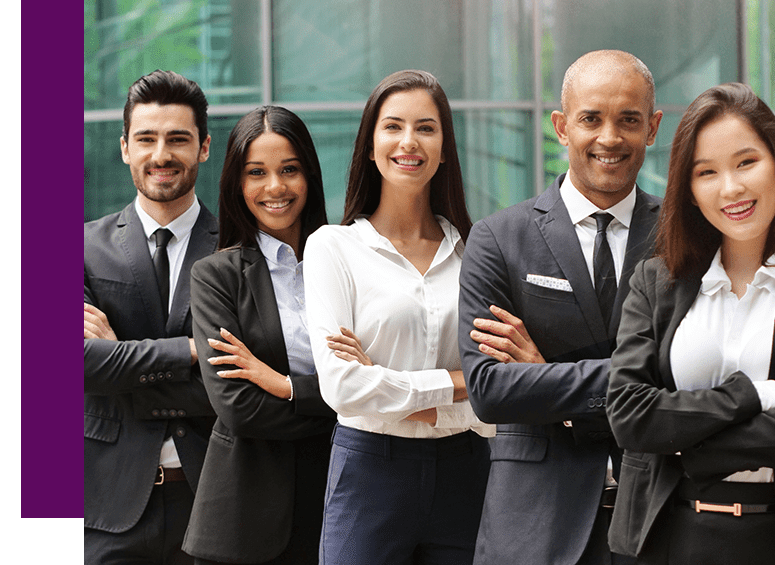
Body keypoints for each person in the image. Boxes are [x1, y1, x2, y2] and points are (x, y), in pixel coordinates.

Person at [606, 83, 775, 565]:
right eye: (707, 172)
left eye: (746, 163)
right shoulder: (655, 281)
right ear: (690, 190)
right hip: (668, 536)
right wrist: (753, 396)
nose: (731, 188)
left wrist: (694, 451)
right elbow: (630, 413)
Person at [458, 49, 664, 565]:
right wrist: (638, 381)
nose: (610, 138)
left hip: (659, 520)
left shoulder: (685, 237)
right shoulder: (498, 238)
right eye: (591, 119)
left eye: (629, 120)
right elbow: (489, 390)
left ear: (654, 127)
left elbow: (693, 380)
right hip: (534, 525)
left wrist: (547, 377)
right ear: (561, 126)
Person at [303, 70, 495, 565]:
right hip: (371, 470)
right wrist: (458, 383)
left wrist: (411, 398)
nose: (409, 141)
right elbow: (343, 388)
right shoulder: (333, 248)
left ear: (445, 148)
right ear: (370, 145)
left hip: (466, 470)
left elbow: (504, 388)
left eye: (426, 128)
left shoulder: (478, 252)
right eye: (393, 126)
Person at [183, 106, 337, 565]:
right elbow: (239, 407)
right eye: (257, 173)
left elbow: (380, 377)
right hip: (243, 520)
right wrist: (342, 409)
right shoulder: (215, 276)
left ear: (309, 174)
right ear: (237, 183)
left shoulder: (346, 258)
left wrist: (284, 386)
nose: (275, 187)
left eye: (289, 169)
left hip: (339, 500)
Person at [84, 70, 217, 565]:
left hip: (213, 505)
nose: (161, 154)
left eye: (178, 139)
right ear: (125, 148)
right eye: (146, 139)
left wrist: (116, 358)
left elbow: (236, 380)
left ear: (203, 147)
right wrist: (191, 349)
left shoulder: (238, 250)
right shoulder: (78, 247)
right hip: (104, 509)